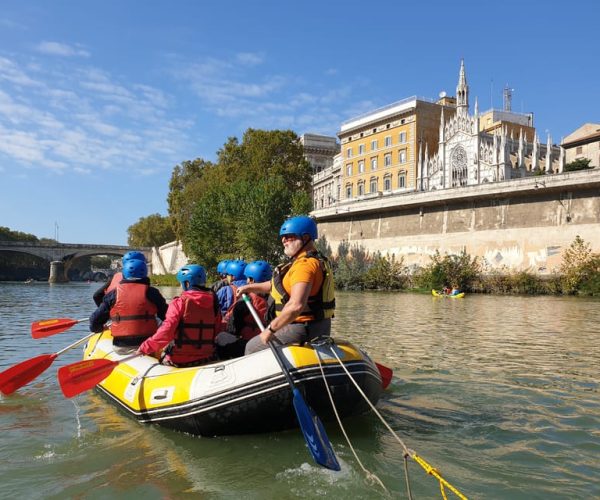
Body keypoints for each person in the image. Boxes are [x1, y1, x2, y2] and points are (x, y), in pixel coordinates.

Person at [238, 216, 335, 355]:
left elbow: (296, 305)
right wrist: (249, 287)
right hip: (320, 326)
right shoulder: (310, 260)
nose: (284, 241)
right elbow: (276, 286)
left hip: (302, 328)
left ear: (306, 237)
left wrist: (271, 329)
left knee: (251, 347)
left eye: (289, 237)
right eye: (282, 237)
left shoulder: (304, 266)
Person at [137, 265, 221, 367]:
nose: (180, 286)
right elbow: (217, 329)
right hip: (207, 357)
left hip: (180, 360)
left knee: (164, 351)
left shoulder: (179, 302)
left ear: (187, 283)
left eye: (181, 283)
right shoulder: (214, 302)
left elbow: (166, 332)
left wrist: (145, 347)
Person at [89, 259, 168, 354]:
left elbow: (94, 320)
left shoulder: (113, 294)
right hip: (148, 347)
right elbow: (168, 318)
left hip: (121, 347)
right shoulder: (152, 292)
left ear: (124, 274)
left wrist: (99, 328)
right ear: (145, 273)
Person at [215, 260, 272, 359]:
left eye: (247, 278)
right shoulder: (274, 298)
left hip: (247, 344)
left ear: (251, 280)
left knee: (221, 336)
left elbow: (232, 328)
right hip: (268, 343)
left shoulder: (246, 300)